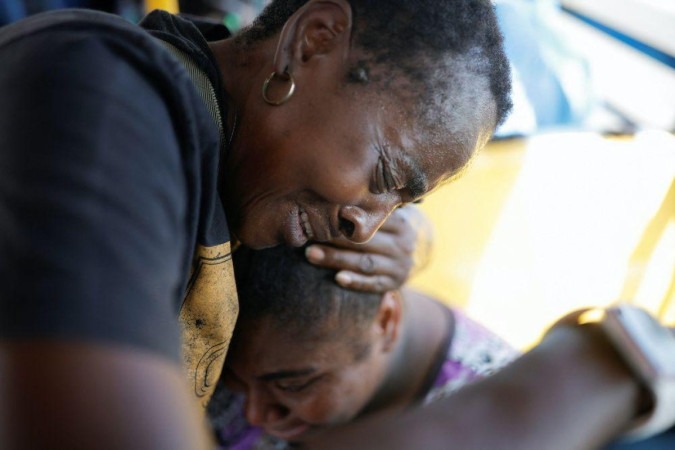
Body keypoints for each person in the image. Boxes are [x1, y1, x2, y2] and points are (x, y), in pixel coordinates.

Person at [1, 0, 671, 449]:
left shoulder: (226, 191)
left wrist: (412, 235)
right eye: (386, 173)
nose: (365, 228)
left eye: (400, 209)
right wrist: (592, 367)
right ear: (312, 41)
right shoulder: (101, 85)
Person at [211, 245, 519, 449]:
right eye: (232, 376)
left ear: (386, 320)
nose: (254, 414)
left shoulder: (496, 426)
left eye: (293, 384)